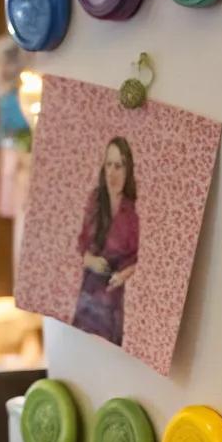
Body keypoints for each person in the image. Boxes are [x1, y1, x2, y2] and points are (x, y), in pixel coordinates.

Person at [72, 137, 139, 346]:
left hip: (113, 295)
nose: (112, 172)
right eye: (108, 164)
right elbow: (82, 241)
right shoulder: (95, 200)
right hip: (88, 293)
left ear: (128, 170)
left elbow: (137, 256)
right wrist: (89, 260)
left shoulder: (131, 212)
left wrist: (123, 275)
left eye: (118, 166)